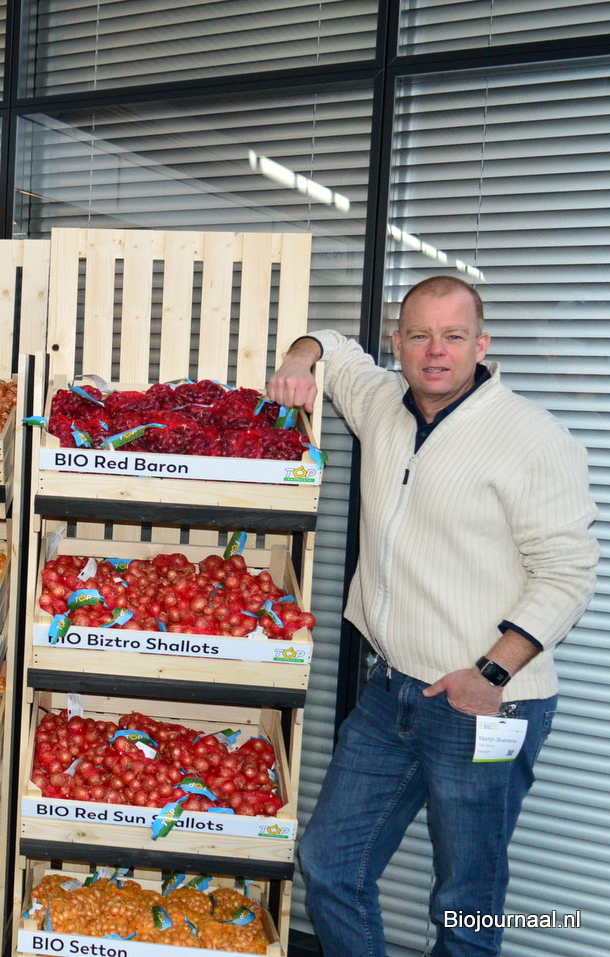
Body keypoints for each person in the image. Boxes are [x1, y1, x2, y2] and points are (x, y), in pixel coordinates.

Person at [266, 275, 597, 957]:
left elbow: (568, 573)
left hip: (485, 702)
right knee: (329, 864)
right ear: (398, 344)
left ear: (482, 344)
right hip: (393, 692)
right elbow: (333, 349)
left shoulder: (533, 437)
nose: (436, 350)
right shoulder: (381, 401)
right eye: (420, 335)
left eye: (453, 336)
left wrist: (490, 673)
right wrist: (300, 356)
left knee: (465, 903)